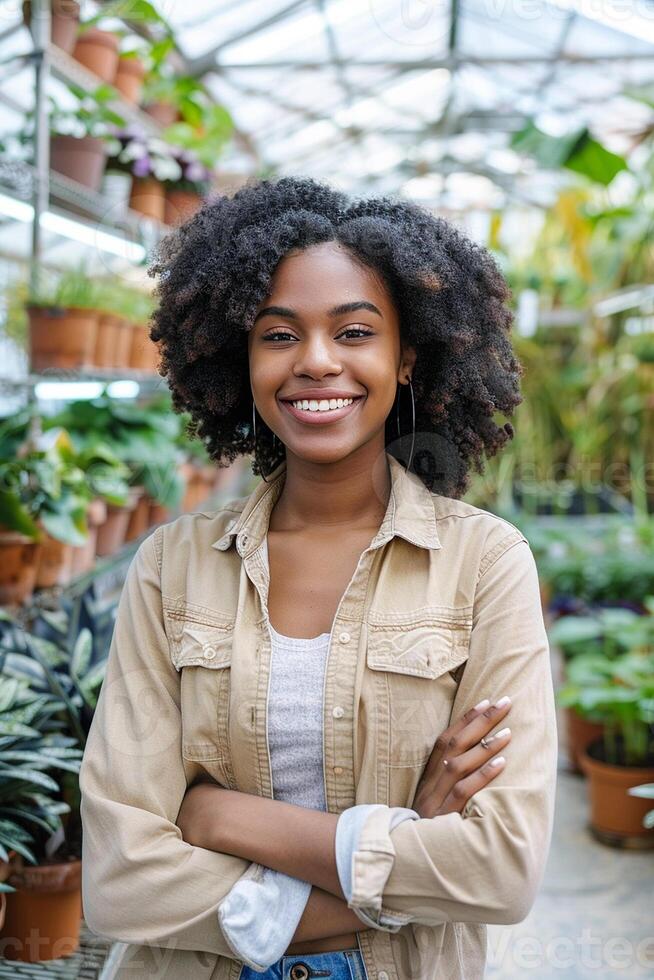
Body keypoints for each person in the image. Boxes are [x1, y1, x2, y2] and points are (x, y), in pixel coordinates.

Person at [79, 176, 558, 980]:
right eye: (278, 335)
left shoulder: (484, 564)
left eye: (356, 331)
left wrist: (215, 814)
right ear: (241, 358)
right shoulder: (174, 565)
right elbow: (121, 883)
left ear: (406, 358)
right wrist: (400, 848)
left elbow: (500, 869)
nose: (317, 362)